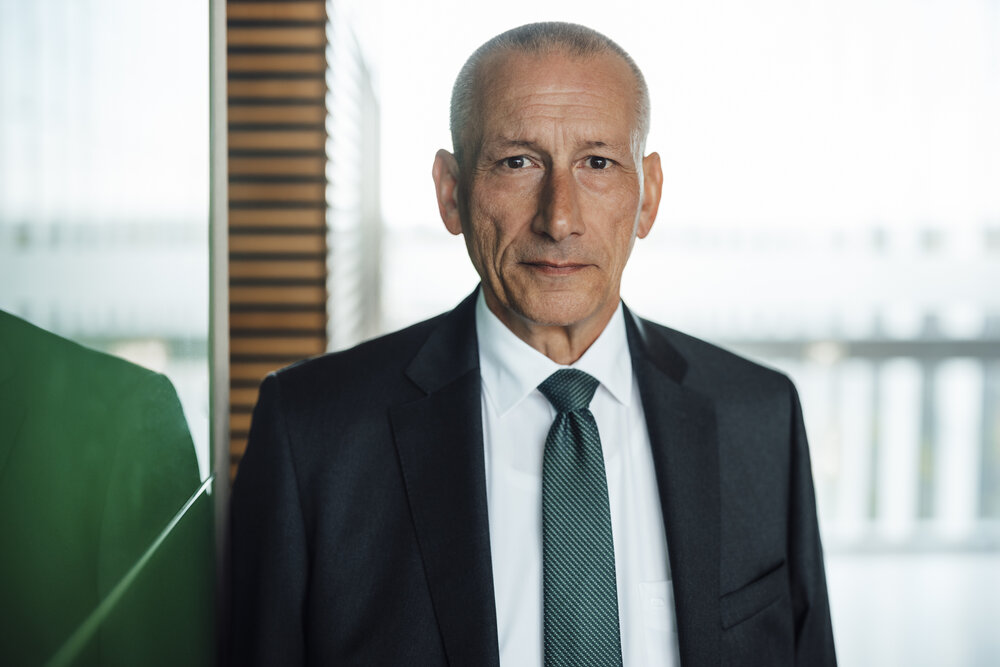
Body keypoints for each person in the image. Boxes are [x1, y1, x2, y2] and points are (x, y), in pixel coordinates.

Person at [229, 22, 837, 667]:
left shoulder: (758, 415)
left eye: (597, 163)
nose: (560, 218)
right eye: (518, 162)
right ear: (451, 192)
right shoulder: (312, 432)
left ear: (648, 196)